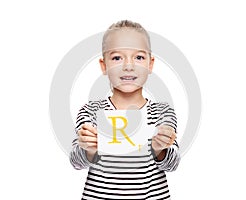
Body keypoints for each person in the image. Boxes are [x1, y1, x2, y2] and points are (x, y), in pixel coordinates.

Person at [70, 20, 180, 200]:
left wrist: (160, 149)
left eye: (138, 57)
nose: (128, 66)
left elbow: (172, 164)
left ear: (150, 64)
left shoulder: (162, 113)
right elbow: (76, 161)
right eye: (117, 58)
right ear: (104, 66)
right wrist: (88, 150)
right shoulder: (90, 111)